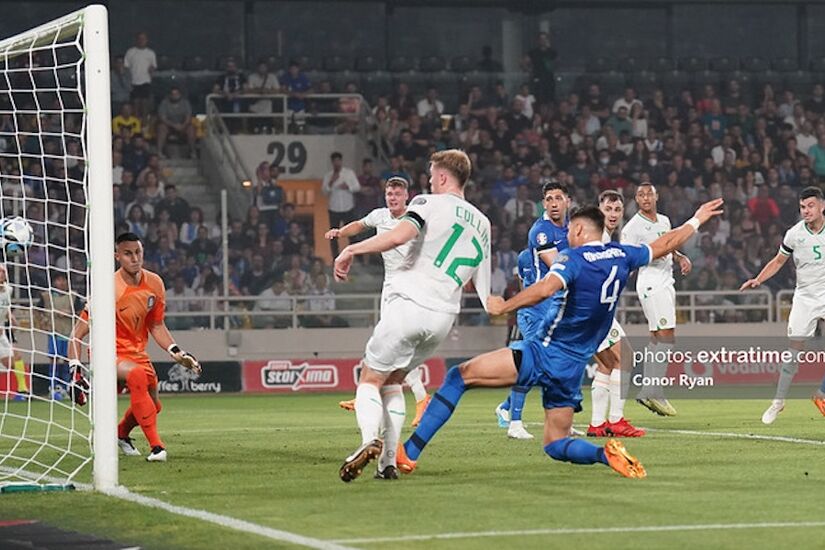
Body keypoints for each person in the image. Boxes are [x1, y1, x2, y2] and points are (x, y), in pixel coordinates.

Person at [396, 199, 724, 479]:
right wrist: (697, 219)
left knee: (458, 377)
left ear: (580, 230)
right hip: (572, 369)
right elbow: (666, 243)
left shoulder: (573, 259)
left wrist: (504, 305)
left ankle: (408, 453)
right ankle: (604, 454)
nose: (567, 235)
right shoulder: (623, 256)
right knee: (554, 443)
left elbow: (545, 288)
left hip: (544, 353)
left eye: (570, 230)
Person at [333, 150, 491, 482]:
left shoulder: (426, 203)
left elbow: (398, 235)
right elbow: (487, 298)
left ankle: (368, 441)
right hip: (442, 321)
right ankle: (388, 463)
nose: (429, 180)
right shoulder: (483, 222)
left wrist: (350, 249)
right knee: (394, 381)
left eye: (432, 174)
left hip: (408, 304)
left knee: (370, 378)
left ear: (444, 177)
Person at [68, 233, 201, 462]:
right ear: (117, 256)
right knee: (137, 375)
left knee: (154, 406)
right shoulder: (107, 288)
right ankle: (157, 448)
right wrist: (75, 371)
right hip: (107, 353)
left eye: (138, 252)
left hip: (137, 352)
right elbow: (77, 334)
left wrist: (176, 352)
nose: (135, 258)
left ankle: (121, 434)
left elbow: (157, 325)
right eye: (128, 254)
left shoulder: (155, 283)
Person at [326, 177, 432, 429]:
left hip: (412, 286)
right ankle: (374, 392)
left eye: (397, 194)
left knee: (395, 342)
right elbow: (359, 225)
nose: (392, 198)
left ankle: (397, 395)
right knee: (386, 341)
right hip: (391, 285)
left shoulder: (415, 219)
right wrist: (340, 232)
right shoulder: (379, 215)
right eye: (389, 194)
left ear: (406, 196)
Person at [741, 187, 825, 423]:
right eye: (802, 207)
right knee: (793, 353)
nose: (806, 211)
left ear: (822, 206)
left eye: (810, 206)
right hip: (805, 297)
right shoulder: (794, 234)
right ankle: (778, 402)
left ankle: (821, 394)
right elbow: (778, 261)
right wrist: (758, 279)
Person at [495, 180, 569, 439]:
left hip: (556, 306)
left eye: (558, 198)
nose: (553, 204)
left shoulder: (570, 229)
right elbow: (559, 264)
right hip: (535, 308)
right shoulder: (541, 231)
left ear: (567, 201)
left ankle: (507, 408)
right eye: (548, 199)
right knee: (533, 362)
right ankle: (515, 422)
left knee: (553, 366)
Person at [621, 183, 692, 417]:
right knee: (666, 336)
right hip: (650, 280)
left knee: (656, 337)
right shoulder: (633, 227)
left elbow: (668, 245)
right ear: (636, 200)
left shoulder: (664, 221)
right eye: (640, 195)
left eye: (649, 193)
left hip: (666, 280)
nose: (645, 198)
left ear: (656, 196)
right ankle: (654, 391)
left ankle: (648, 390)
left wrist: (680, 256)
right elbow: (626, 257)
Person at [587, 190, 645, 437]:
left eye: (617, 210)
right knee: (627, 357)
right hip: (593, 311)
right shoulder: (598, 237)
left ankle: (597, 424)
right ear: (599, 209)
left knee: (607, 364)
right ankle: (616, 420)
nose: (613, 214)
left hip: (593, 312)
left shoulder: (607, 238)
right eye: (608, 209)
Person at [41, 273, 74, 401]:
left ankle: (66, 387)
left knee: (67, 360)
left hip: (68, 333)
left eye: (63, 280)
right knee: (54, 359)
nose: (61, 282)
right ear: (54, 282)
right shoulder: (47, 296)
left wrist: (70, 313)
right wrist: (43, 321)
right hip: (54, 332)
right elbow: (38, 310)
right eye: (58, 280)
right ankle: (53, 387)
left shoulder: (73, 296)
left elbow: (80, 311)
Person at [321, 152, 361, 257]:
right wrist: (331, 182)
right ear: (332, 163)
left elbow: (357, 187)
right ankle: (335, 257)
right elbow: (324, 192)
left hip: (348, 208)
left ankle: (356, 257)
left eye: (338, 161)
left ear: (341, 161)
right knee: (334, 235)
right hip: (334, 208)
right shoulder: (328, 175)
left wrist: (348, 187)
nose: (336, 163)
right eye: (334, 161)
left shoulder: (349, 173)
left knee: (352, 233)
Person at [123, 32, 157, 119]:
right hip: (133, 82)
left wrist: (151, 72)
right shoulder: (130, 52)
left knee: (145, 104)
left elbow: (153, 67)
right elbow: (126, 67)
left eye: (143, 39)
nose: (141, 41)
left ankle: (144, 123)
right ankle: (136, 122)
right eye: (140, 39)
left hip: (146, 81)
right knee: (135, 104)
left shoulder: (150, 53)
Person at [156, 87, 196, 158]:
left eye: (176, 93)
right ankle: (159, 152)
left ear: (180, 94)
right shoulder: (164, 103)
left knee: (191, 129)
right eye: (173, 94)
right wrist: (174, 125)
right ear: (170, 95)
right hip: (169, 126)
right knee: (161, 128)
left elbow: (188, 117)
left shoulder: (185, 103)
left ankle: (193, 152)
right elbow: (163, 118)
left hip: (183, 126)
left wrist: (183, 126)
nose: (175, 95)